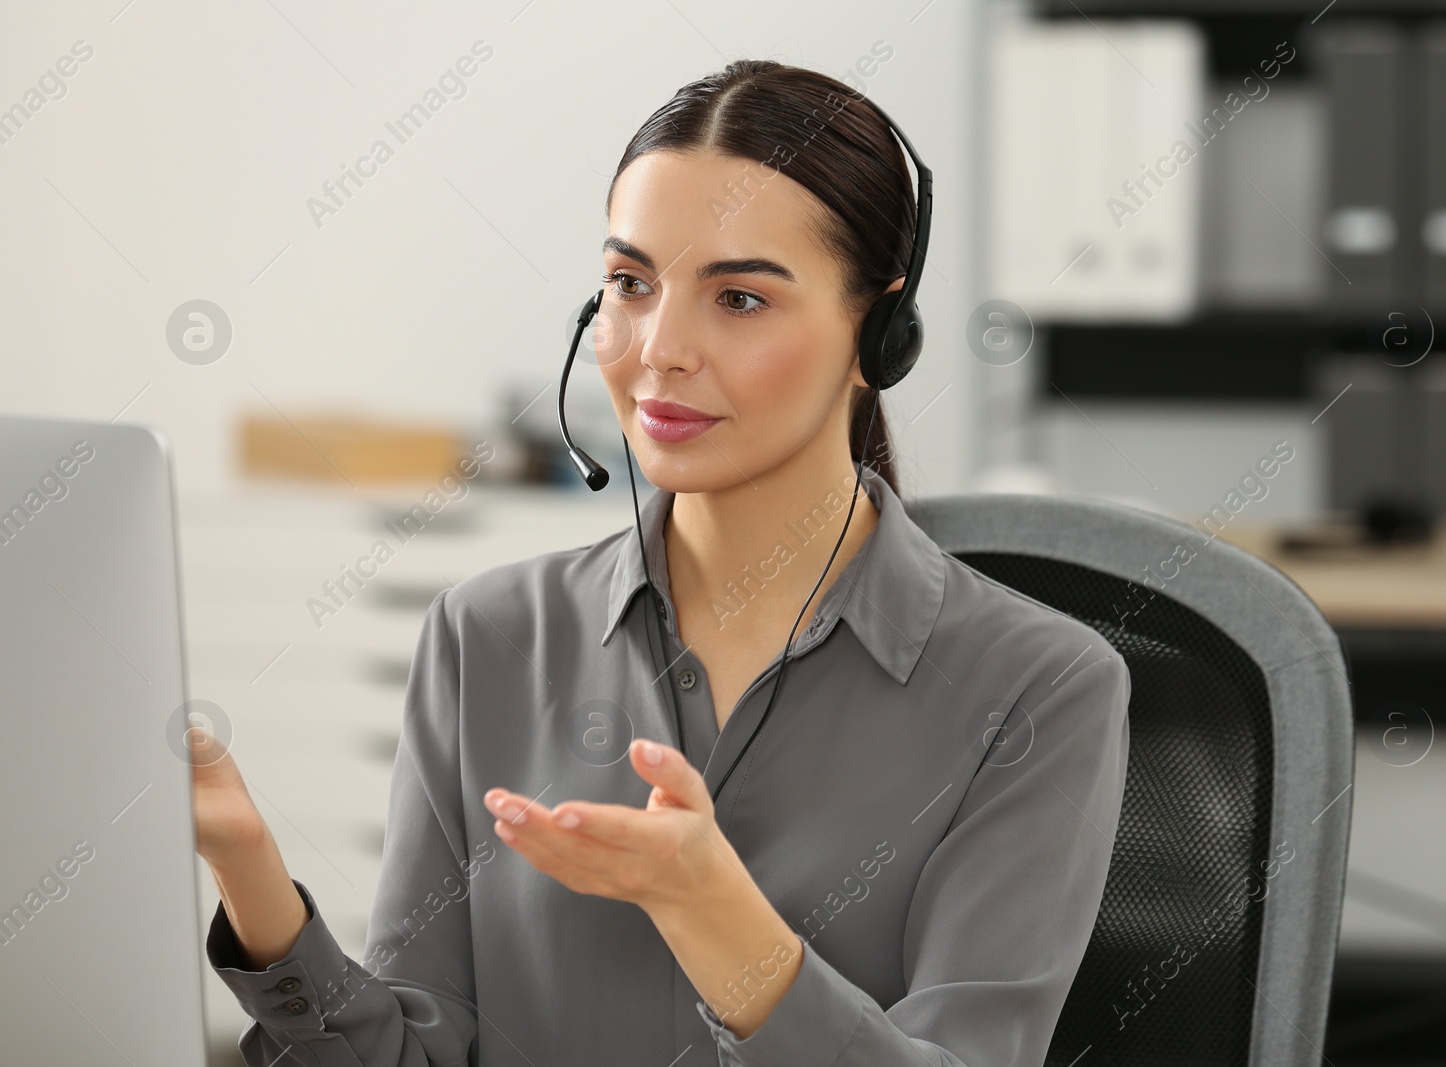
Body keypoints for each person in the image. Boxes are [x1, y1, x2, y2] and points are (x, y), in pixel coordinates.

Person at [191, 58, 1130, 1067]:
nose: (658, 347)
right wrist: (252, 879)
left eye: (738, 298)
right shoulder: (488, 637)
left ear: (881, 335)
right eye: (630, 283)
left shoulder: (1039, 689)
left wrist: (710, 910)